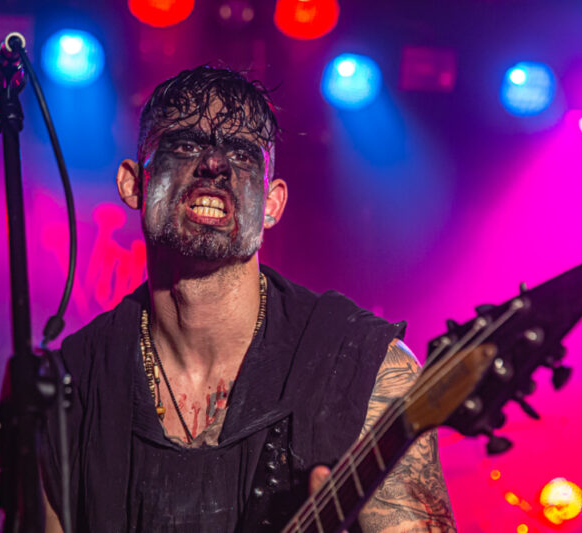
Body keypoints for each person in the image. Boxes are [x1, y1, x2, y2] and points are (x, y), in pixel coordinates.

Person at [40, 65, 456, 533]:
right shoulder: (70, 383)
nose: (214, 165)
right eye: (185, 146)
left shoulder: (364, 366)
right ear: (134, 184)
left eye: (241, 155)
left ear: (272, 203)